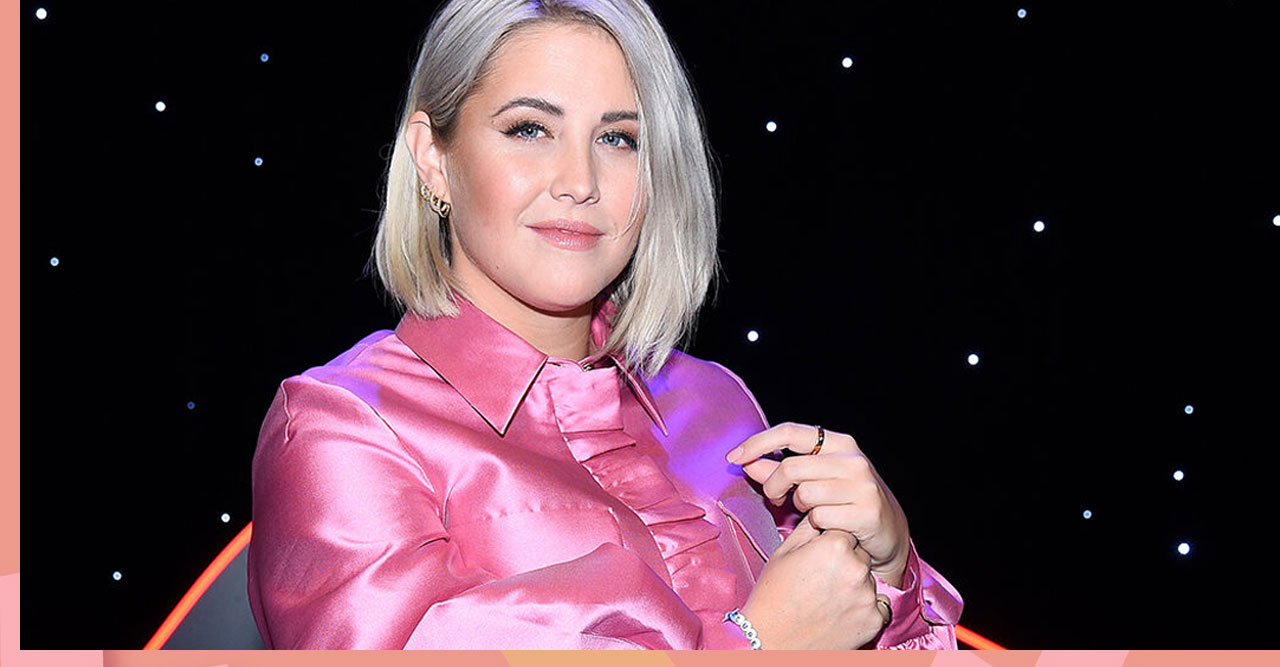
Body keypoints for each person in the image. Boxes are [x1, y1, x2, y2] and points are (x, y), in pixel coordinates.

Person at [246, 0, 963, 650]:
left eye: (619, 139)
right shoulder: (341, 428)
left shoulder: (715, 400)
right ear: (434, 157)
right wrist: (755, 644)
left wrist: (889, 576)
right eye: (530, 129)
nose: (580, 182)